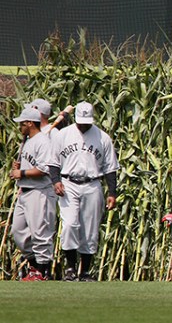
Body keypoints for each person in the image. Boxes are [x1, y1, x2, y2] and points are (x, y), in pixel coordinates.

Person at [49, 102, 120, 282]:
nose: (84, 125)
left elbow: (110, 167)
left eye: (87, 121)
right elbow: (53, 162)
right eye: (81, 121)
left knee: (90, 229)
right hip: (68, 184)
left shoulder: (103, 137)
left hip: (93, 183)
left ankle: (85, 272)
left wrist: (112, 192)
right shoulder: (63, 135)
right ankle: (71, 268)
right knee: (70, 225)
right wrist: (56, 181)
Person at [9, 108, 57, 281]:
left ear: (30, 123)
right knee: (19, 231)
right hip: (25, 191)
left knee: (40, 233)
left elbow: (44, 169)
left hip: (40, 191)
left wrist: (21, 173)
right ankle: (35, 267)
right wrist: (19, 168)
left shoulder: (43, 142)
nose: (20, 127)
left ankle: (42, 271)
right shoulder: (28, 141)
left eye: (22, 123)